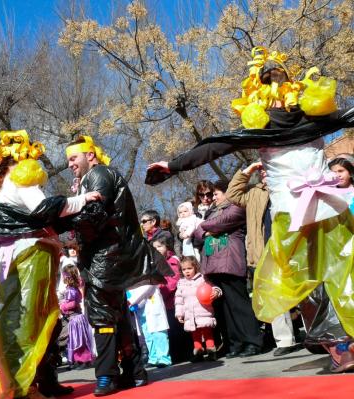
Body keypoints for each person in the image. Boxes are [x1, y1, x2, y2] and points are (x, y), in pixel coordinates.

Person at [146, 46, 354, 371]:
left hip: (305, 215)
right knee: (333, 276)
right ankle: (340, 343)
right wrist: (173, 164)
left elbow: (213, 146)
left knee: (309, 279)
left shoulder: (292, 121)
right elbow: (214, 145)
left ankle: (341, 345)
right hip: (322, 214)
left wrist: (172, 165)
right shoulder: (310, 119)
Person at [0, 130, 103, 398]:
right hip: (30, 254)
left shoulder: (0, 185)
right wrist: (83, 199)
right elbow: (44, 208)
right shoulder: (22, 176)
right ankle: (26, 387)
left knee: (19, 319)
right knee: (32, 319)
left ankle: (35, 381)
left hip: (9, 256)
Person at [66, 135, 170, 396]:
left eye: (73, 158)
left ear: (90, 155)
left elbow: (94, 217)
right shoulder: (93, 178)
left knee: (102, 315)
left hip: (106, 259)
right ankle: (134, 372)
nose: (70, 164)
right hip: (108, 258)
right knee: (118, 315)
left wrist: (63, 214)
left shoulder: (99, 174)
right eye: (68, 160)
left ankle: (106, 376)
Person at [226, 161, 301, 356]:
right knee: (275, 295)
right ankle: (285, 341)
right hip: (265, 251)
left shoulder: (290, 186)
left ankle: (317, 335)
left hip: (293, 247)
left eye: (270, 170)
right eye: (262, 172)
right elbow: (232, 194)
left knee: (305, 291)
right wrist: (248, 171)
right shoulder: (254, 193)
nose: (265, 174)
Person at [192, 179, 263, 357]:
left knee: (239, 304)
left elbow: (226, 220)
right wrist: (207, 229)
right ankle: (235, 343)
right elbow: (197, 237)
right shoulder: (210, 212)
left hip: (230, 262)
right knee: (225, 308)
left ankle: (252, 341)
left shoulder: (236, 205)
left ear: (227, 192)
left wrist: (204, 227)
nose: (212, 197)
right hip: (213, 265)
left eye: (216, 193)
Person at [151, 236, 191, 364]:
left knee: (178, 328)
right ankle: (176, 354)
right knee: (171, 330)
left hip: (174, 301)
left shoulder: (172, 261)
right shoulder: (157, 262)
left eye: (159, 246)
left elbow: (172, 281)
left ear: (167, 247)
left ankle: (186, 353)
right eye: (154, 247)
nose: (156, 249)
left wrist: (159, 289)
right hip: (164, 302)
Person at [175, 256, 222, 361]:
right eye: (184, 269)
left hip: (203, 312)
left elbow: (212, 287)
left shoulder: (202, 279)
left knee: (207, 332)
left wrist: (216, 292)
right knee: (195, 334)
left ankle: (211, 351)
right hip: (190, 315)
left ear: (195, 267)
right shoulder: (181, 283)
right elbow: (179, 301)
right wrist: (179, 314)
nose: (187, 271)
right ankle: (198, 352)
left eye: (189, 268)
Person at [59, 264, 95, 369]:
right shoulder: (72, 288)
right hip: (75, 318)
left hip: (75, 319)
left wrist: (62, 306)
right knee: (76, 340)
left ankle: (84, 360)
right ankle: (77, 361)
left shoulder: (70, 290)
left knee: (78, 341)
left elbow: (73, 304)